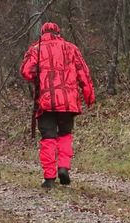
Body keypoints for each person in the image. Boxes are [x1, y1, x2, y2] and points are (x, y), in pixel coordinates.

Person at [20, 22, 95, 189]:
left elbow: (25, 71)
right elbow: (84, 73)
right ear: (58, 32)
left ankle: (49, 178)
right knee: (65, 135)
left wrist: (38, 77)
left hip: (46, 102)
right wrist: (89, 96)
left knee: (48, 138)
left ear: (42, 33)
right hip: (69, 102)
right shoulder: (71, 48)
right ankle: (63, 167)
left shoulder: (36, 49)